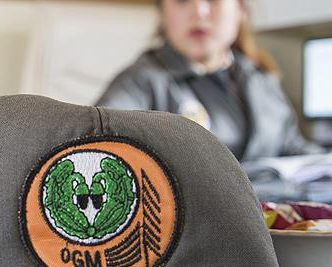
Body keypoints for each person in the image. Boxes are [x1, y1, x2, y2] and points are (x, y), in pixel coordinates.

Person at [96, 0, 324, 162]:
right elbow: (100, 139)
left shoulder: (260, 77)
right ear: (162, 14)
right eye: (182, 0)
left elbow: (294, 148)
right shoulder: (140, 82)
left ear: (241, 10)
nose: (199, 11)